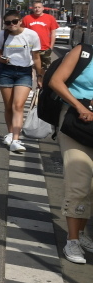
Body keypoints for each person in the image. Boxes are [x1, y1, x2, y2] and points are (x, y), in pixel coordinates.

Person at [47, 43, 93, 264]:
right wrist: (80, 106)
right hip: (77, 121)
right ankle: (72, 240)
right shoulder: (84, 52)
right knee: (79, 179)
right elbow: (56, 81)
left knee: (91, 186)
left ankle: (82, 234)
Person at [0, 9, 43, 153]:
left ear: (20, 21)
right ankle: (10, 133)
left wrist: (40, 75)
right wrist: (0, 58)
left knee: (18, 105)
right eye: (8, 23)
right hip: (6, 72)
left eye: (14, 22)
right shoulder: (3, 35)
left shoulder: (31, 35)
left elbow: (36, 57)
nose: (11, 25)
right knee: (8, 106)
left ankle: (16, 139)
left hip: (24, 72)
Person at [23, 2, 59, 69]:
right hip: (30, 47)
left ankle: (40, 79)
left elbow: (53, 33)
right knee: (30, 67)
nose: (37, 9)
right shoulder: (27, 18)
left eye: (39, 7)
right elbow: (22, 32)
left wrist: (51, 47)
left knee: (43, 68)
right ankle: (33, 78)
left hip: (45, 48)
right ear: (33, 9)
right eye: (35, 7)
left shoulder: (50, 18)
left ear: (43, 8)